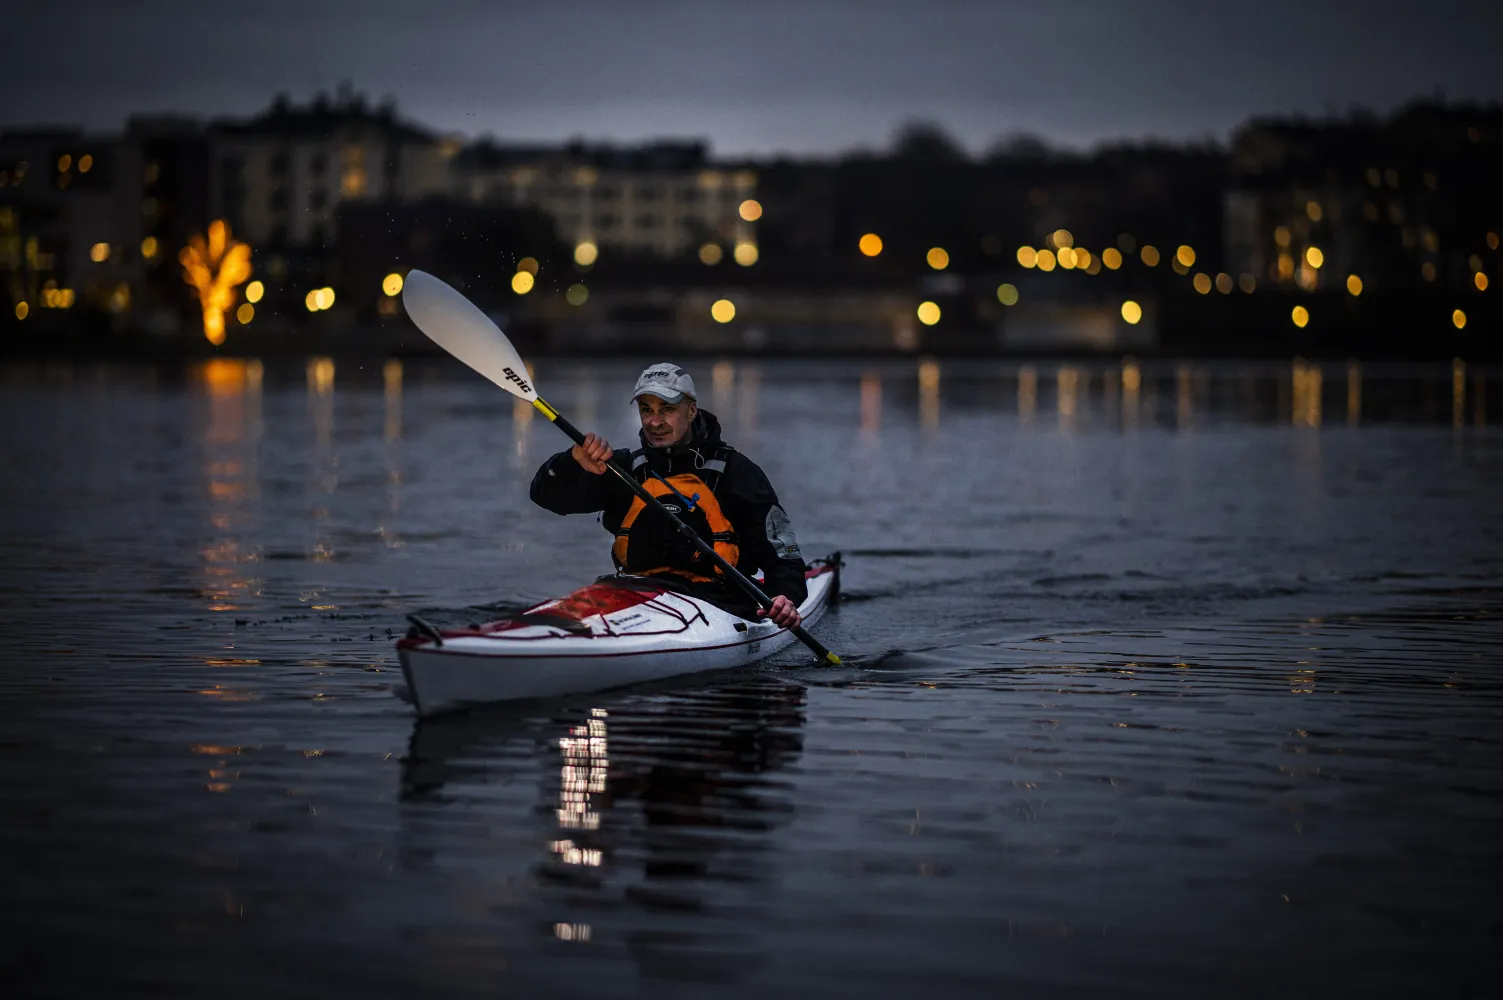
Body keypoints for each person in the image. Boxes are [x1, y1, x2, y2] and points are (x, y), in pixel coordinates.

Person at [530, 362, 807, 628]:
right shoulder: (623, 469)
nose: (654, 422)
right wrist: (571, 460)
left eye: (667, 409)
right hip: (630, 594)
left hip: (716, 605)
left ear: (691, 411)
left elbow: (784, 557)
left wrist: (784, 596)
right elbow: (546, 497)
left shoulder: (739, 473)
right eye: (646, 409)